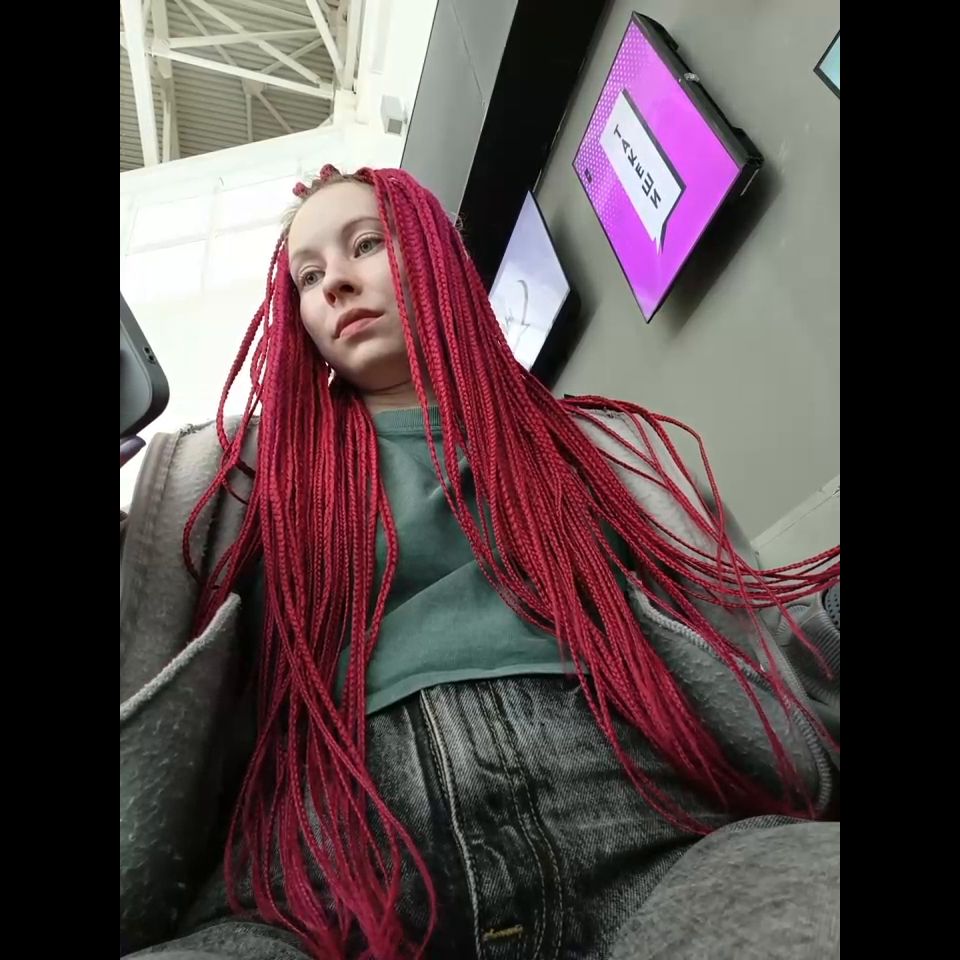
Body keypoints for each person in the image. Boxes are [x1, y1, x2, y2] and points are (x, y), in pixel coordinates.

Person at [120, 166, 840, 960]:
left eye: (367, 244)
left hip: (649, 825)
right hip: (321, 881)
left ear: (438, 254)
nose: (336, 285)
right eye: (309, 277)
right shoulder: (236, 476)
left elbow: (757, 630)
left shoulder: (599, 448)